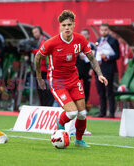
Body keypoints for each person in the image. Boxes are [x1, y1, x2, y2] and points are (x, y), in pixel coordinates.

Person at [35, 10, 107, 147]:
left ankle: (79, 140)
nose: (66, 27)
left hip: (73, 79)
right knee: (72, 112)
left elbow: (91, 58)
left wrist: (100, 74)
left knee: (82, 113)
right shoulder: (52, 43)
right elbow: (38, 56)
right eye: (63, 25)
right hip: (57, 81)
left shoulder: (80, 40)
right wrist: (39, 77)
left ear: (74, 25)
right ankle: (60, 124)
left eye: (69, 24)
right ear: (60, 26)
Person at [95, 23, 120, 118]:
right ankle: (102, 111)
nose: (103, 32)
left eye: (105, 30)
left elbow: (117, 55)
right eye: (102, 30)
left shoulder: (113, 41)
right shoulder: (98, 40)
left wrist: (108, 57)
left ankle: (112, 112)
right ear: (99, 30)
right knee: (101, 91)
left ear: (108, 30)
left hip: (109, 69)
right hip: (99, 69)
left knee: (109, 91)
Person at [32, 26, 55, 106]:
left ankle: (46, 106)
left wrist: (32, 50)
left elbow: (43, 53)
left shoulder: (43, 40)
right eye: (33, 33)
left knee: (44, 91)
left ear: (40, 32)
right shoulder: (38, 41)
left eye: (36, 32)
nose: (34, 34)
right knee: (40, 91)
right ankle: (43, 106)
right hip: (40, 69)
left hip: (44, 70)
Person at [76, 28, 96, 110]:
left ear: (88, 35)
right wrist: (78, 55)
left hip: (88, 70)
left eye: (85, 34)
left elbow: (94, 59)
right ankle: (76, 105)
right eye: (82, 34)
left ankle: (85, 106)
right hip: (78, 70)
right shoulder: (76, 45)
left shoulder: (92, 45)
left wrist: (92, 69)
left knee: (86, 88)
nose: (84, 35)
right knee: (76, 87)